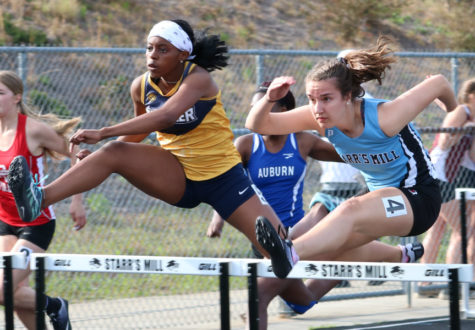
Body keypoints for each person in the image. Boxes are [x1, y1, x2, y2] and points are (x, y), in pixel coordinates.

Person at [7, 19, 305, 269]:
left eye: (163, 50)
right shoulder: (141, 86)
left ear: (182, 54)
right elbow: (139, 131)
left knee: (283, 251)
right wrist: (98, 156)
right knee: (113, 153)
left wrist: (104, 131)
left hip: (223, 178)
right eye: (149, 48)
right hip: (177, 173)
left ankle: (279, 258)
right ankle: (38, 200)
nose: (152, 55)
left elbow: (166, 115)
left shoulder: (199, 79)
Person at [207, 82, 424, 329]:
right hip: (261, 236)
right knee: (302, 302)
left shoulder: (302, 141)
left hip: (298, 233)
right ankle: (396, 254)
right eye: (254, 108)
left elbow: (350, 153)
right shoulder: (246, 145)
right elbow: (227, 184)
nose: (258, 116)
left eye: (266, 108)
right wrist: (218, 217)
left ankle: (357, 250)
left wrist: (381, 147)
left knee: (321, 209)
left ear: (286, 110)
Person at [245, 36, 457, 280]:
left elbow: (439, 82)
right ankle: (400, 255)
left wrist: (451, 110)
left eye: (326, 99)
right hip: (379, 198)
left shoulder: (385, 117)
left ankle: (289, 253)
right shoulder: (320, 118)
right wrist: (270, 98)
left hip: (417, 198)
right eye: (312, 99)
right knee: (332, 247)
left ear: (348, 96)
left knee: (348, 208)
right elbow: (257, 124)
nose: (317, 108)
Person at [0, 70, 86, 330]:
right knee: (13, 295)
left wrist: (77, 200)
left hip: (35, 223)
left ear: (17, 97)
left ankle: (55, 306)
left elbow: (78, 153)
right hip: (5, 222)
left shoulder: (34, 131)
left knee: (3, 289)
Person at [420, 77, 475, 298]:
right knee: (463, 231)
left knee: (438, 229)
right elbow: (444, 142)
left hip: (454, 178)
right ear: (472, 95)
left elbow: (471, 156)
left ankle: (426, 284)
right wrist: (466, 129)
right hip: (440, 176)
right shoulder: (463, 111)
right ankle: (451, 286)